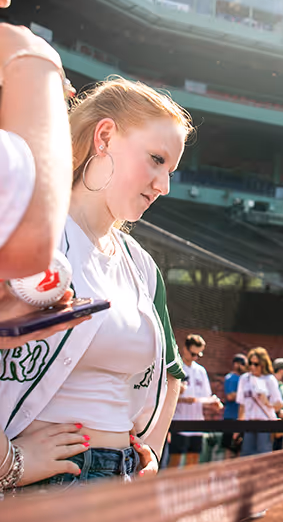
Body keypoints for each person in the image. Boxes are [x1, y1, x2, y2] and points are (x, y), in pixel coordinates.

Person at [3, 79, 189, 495]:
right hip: (41, 488)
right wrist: (7, 462)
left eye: (171, 171)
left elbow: (172, 374)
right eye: (156, 159)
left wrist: (153, 451)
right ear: (104, 136)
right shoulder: (24, 231)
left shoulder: (141, 265)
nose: (164, 185)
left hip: (120, 483)